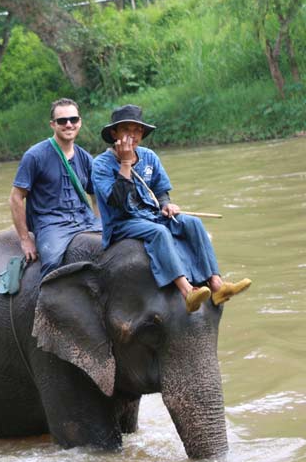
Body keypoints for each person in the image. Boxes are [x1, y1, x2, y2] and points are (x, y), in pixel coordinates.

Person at [91, 104, 251, 313]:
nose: (133, 135)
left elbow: (160, 191)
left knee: (192, 222)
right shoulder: (101, 164)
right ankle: (187, 291)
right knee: (159, 232)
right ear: (115, 133)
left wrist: (167, 205)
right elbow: (117, 202)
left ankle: (217, 284)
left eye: (138, 130)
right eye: (127, 130)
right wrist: (125, 164)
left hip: (152, 214)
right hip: (122, 222)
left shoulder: (149, 157)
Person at [9, 97, 102, 276]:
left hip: (85, 220)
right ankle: (46, 303)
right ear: (53, 124)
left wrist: (99, 222)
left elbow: (95, 196)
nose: (69, 124)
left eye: (73, 119)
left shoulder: (85, 158)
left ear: (79, 122)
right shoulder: (35, 156)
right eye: (62, 121)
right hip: (51, 224)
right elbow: (16, 197)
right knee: (52, 263)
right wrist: (25, 239)